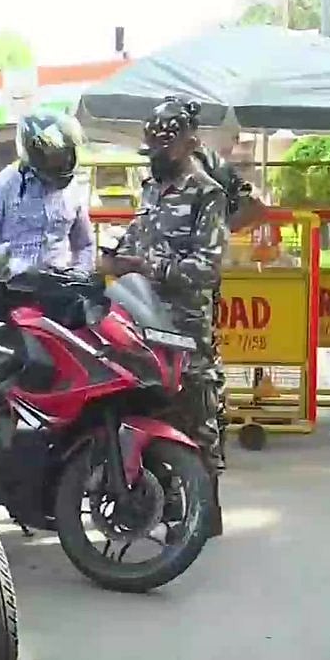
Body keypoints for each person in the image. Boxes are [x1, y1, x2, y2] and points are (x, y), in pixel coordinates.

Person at [104, 97, 228, 538]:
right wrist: (114, 258)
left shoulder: (206, 193)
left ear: (187, 143)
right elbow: (138, 237)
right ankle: (172, 510)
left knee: (198, 422)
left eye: (162, 148)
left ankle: (204, 517)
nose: (154, 157)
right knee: (160, 418)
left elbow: (207, 269)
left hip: (187, 329)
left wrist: (145, 267)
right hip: (146, 322)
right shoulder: (152, 188)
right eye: (150, 148)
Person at [0, 110, 94, 320]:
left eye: (66, 154)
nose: (62, 162)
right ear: (33, 154)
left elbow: (85, 244)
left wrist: (79, 273)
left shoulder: (74, 190)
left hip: (59, 294)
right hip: (5, 294)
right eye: (54, 158)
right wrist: (12, 266)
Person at [194, 145, 268, 455]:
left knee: (203, 369)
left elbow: (255, 206)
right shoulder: (156, 171)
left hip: (195, 292)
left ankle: (210, 447)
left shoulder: (209, 164)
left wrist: (219, 232)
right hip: (153, 290)